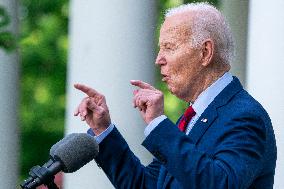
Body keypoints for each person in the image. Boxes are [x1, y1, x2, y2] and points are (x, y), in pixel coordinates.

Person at [74, 2, 277, 189]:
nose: (158, 59)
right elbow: (147, 185)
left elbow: (220, 184)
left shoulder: (244, 115)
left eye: (169, 47)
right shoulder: (193, 117)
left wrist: (158, 124)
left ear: (205, 52)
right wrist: (103, 129)